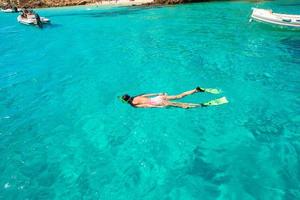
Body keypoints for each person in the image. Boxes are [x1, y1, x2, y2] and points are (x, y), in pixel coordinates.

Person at [120, 86, 228, 109]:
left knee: (182, 106)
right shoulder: (138, 95)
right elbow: (149, 94)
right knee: (179, 96)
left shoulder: (134, 105)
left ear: (126, 101)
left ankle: (202, 105)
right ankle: (196, 90)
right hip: (159, 97)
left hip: (157, 103)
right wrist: (160, 93)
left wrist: (159, 107)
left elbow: (147, 105)